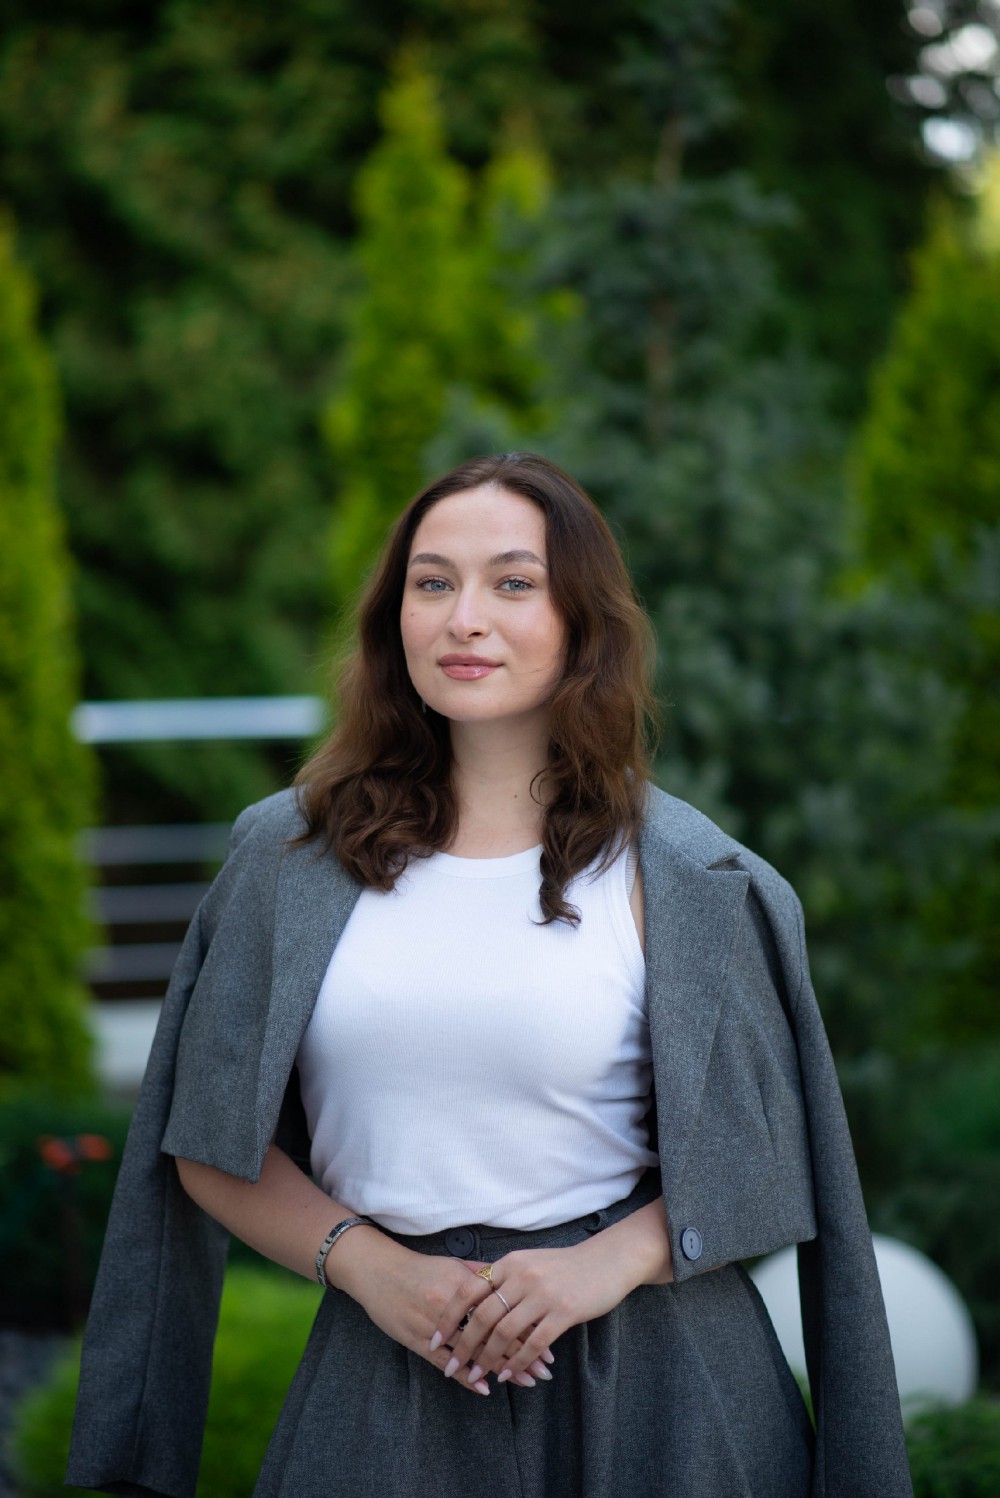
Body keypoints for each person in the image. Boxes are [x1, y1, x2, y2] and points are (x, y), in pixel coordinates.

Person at [67, 452, 912, 1498]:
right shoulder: (286, 859)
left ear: (582, 621)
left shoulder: (694, 878)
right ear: (395, 619)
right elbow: (206, 1140)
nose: (465, 618)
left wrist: (600, 1265)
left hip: (661, 1394)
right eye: (433, 583)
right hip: (382, 1376)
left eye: (513, 582)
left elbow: (772, 1159)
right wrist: (372, 1268)